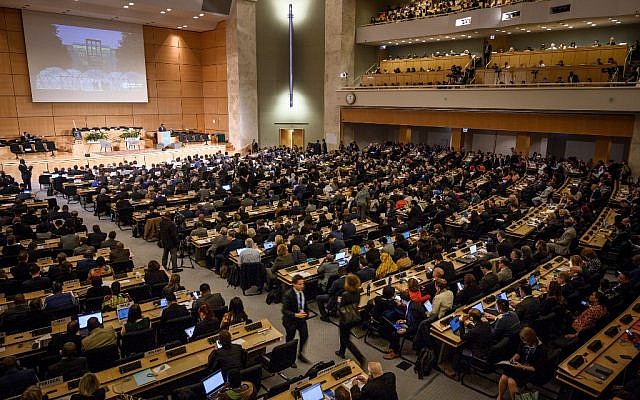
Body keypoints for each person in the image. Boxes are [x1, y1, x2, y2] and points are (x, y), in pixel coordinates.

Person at [497, 327, 546, 400]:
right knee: (504, 377)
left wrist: (522, 366)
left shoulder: (541, 350)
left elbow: (535, 368)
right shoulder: (524, 341)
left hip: (530, 370)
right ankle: (500, 397)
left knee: (511, 381)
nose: (524, 342)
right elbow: (519, 352)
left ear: (531, 339)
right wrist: (515, 357)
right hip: (520, 366)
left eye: (526, 341)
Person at [335, 274, 365, 364]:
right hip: (355, 317)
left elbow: (341, 307)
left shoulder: (345, 294)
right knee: (344, 335)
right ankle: (341, 352)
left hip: (346, 319)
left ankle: (360, 358)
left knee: (345, 339)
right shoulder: (358, 291)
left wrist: (338, 301)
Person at [282, 274, 310, 363]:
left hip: (301, 319)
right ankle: (289, 358)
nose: (302, 286)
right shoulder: (288, 295)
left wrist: (306, 313)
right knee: (290, 339)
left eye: (303, 284)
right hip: (291, 320)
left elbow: (305, 304)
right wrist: (295, 315)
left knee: (304, 336)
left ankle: (300, 354)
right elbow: (284, 310)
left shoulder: (303, 292)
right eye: (300, 284)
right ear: (293, 284)